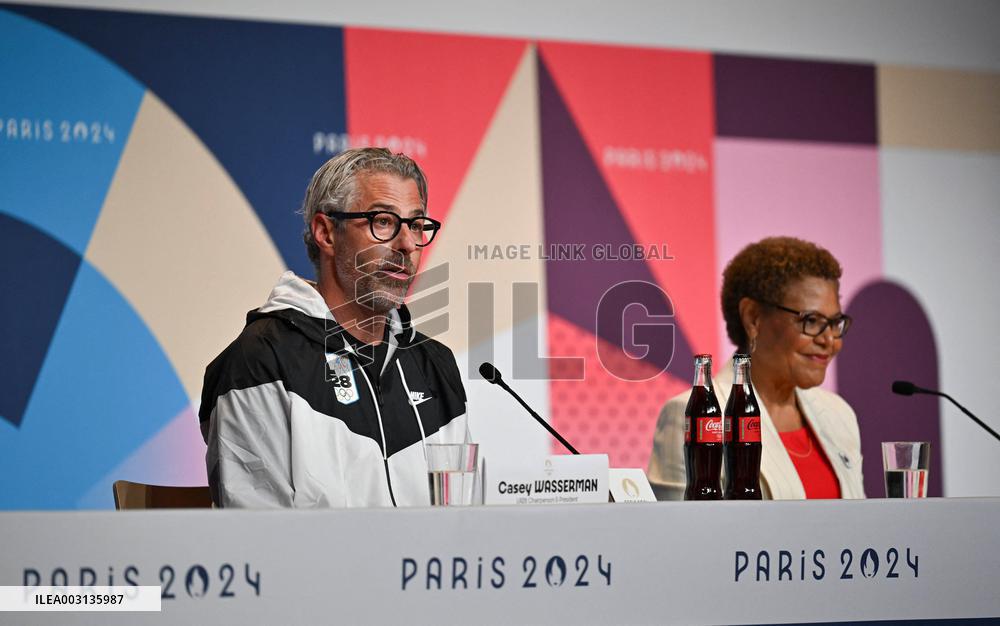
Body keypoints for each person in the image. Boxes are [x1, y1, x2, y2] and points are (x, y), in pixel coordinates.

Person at [199, 147, 469, 508]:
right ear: (326, 233)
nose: (407, 244)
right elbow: (259, 534)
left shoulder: (435, 365)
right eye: (383, 222)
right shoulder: (261, 361)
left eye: (417, 225)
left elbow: (461, 521)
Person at [648, 237, 865, 500]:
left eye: (834, 322)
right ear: (753, 318)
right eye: (811, 320)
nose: (829, 340)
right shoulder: (695, 415)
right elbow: (682, 525)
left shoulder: (839, 414)